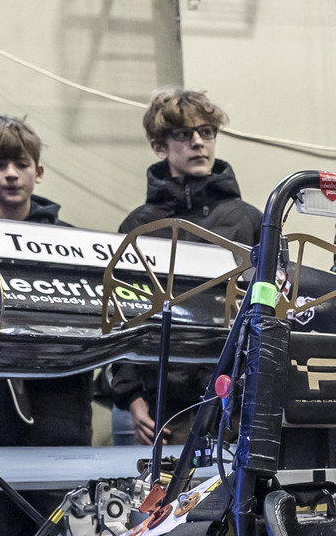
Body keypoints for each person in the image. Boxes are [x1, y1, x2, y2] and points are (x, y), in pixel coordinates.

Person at [0, 115, 92, 536]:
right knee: (1, 528)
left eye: (21, 164)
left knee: (63, 529)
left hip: (61, 405)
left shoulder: (73, 241)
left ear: (39, 171)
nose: (11, 174)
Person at [109, 87, 262, 446]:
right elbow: (123, 316)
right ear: (158, 146)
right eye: (184, 134)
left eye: (206, 132)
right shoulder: (137, 227)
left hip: (236, 403)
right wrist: (131, 398)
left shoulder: (250, 221)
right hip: (165, 409)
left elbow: (272, 311)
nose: (198, 142)